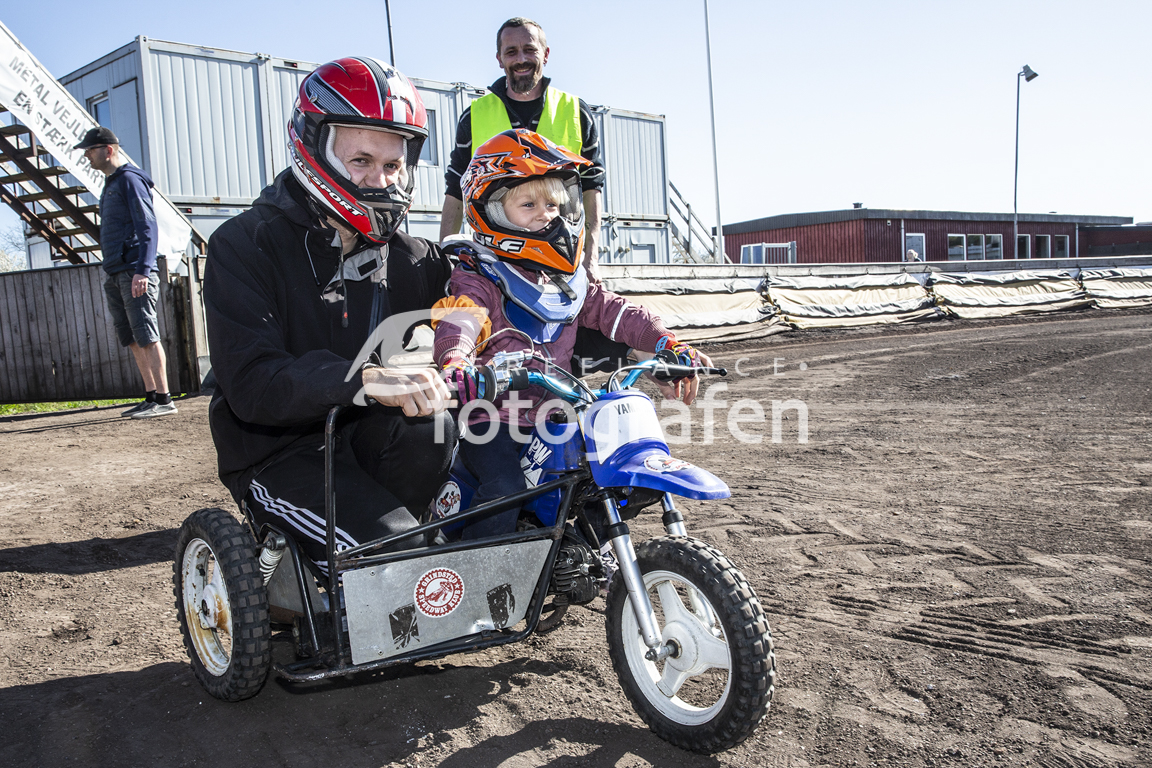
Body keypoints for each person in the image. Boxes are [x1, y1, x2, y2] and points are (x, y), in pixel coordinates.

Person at [204, 58, 457, 568]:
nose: (381, 181)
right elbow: (252, 382)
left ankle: (395, 541)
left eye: (392, 165)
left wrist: (612, 333)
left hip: (371, 436)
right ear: (312, 145)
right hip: (279, 453)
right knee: (402, 557)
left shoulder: (416, 258)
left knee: (438, 428)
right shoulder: (242, 245)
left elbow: (484, 310)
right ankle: (286, 570)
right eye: (361, 161)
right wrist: (364, 377)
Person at [432, 129, 710, 540]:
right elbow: (461, 321)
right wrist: (457, 362)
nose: (546, 215)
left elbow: (617, 312)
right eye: (529, 204)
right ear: (490, 210)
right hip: (491, 418)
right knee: (504, 490)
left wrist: (665, 343)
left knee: (608, 478)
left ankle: (577, 554)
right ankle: (481, 584)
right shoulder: (479, 275)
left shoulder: (568, 280)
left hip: (555, 416)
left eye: (553, 204)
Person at [439, 17, 605, 282]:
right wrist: (445, 262)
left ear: (546, 54)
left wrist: (591, 258)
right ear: (499, 58)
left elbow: (592, 186)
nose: (521, 59)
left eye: (529, 49)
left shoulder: (576, 112)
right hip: (493, 265)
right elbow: (455, 190)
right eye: (511, 52)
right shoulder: (473, 116)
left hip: (562, 265)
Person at [75, 126, 176, 419]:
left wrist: (143, 270)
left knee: (146, 332)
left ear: (108, 150)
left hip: (134, 270)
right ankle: (151, 396)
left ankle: (165, 399)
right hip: (117, 270)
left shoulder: (130, 180)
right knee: (131, 335)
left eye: (90, 150)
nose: (86, 156)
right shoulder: (111, 183)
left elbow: (147, 226)